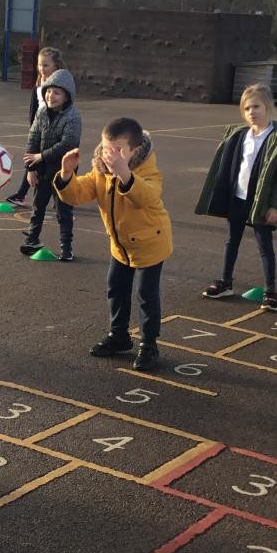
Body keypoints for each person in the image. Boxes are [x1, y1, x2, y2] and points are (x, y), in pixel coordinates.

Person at [55, 117, 172, 372]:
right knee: (116, 289)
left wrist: (124, 172)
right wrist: (66, 174)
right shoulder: (102, 170)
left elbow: (146, 196)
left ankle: (149, 345)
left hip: (150, 243)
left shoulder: (148, 171)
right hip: (120, 246)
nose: (111, 155)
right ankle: (119, 336)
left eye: (118, 150)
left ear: (135, 150)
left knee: (146, 295)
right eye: (107, 148)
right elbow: (78, 193)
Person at [195, 82, 277, 312]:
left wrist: (276, 206)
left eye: (256, 107)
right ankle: (225, 282)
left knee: (265, 246)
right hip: (238, 197)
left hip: (261, 202)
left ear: (268, 107)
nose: (251, 112)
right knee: (231, 240)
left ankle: (270, 291)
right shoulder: (240, 135)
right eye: (246, 108)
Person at [20, 68, 80, 263]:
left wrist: (41, 156)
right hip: (43, 169)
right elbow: (33, 139)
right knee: (38, 207)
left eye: (57, 93)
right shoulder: (42, 113)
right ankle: (32, 239)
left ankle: (66, 248)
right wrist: (30, 169)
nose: (51, 96)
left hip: (63, 172)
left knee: (63, 210)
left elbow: (68, 144)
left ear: (67, 96)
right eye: (48, 91)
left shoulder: (73, 116)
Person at [6, 46, 64, 207]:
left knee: (54, 165)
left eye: (46, 65)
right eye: (39, 65)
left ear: (56, 65)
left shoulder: (60, 85)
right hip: (39, 129)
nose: (42, 68)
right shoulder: (39, 83)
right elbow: (34, 108)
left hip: (54, 130)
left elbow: (65, 109)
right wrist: (33, 128)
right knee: (32, 161)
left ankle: (60, 198)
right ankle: (21, 194)